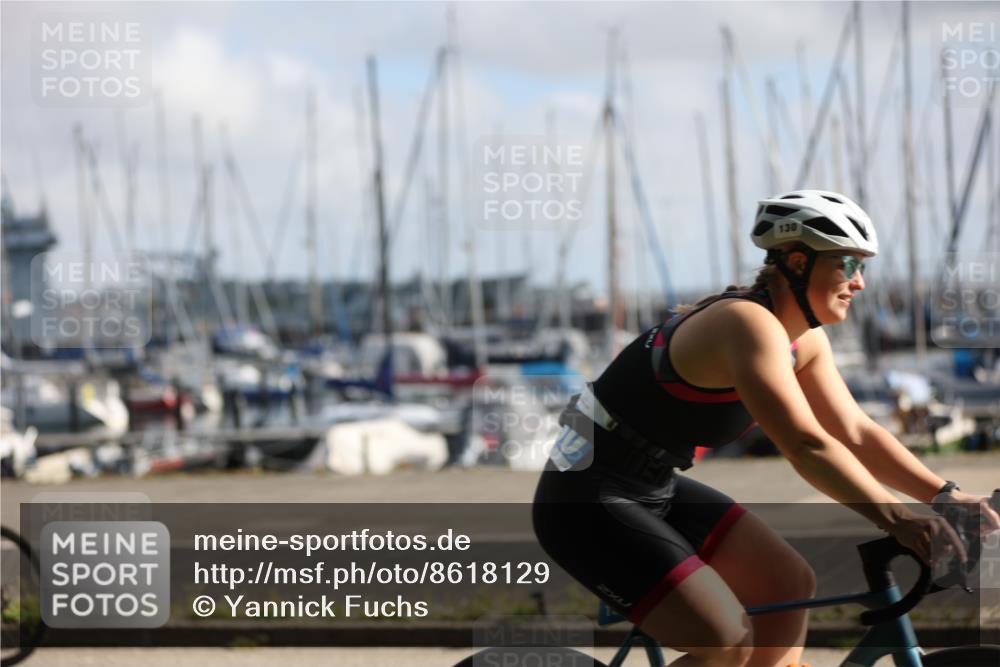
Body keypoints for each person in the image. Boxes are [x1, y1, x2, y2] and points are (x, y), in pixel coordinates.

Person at [532, 190, 1000, 667]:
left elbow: (854, 431)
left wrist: (943, 494)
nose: (859, 282)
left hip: (655, 486)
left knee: (790, 585)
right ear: (797, 262)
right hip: (585, 501)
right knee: (727, 640)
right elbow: (805, 444)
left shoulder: (805, 340)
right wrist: (897, 518)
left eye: (863, 267)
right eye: (847, 265)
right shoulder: (745, 324)